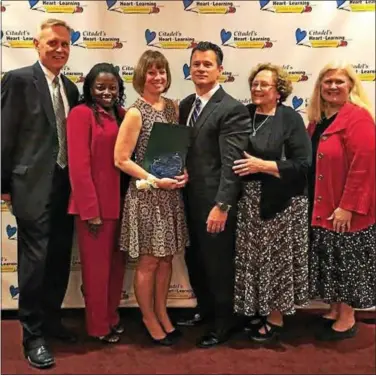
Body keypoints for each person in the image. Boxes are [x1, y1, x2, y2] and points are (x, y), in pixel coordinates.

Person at [1, 19, 79, 368]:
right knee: (35, 263)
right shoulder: (17, 80)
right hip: (30, 187)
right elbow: (4, 135)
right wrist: (3, 186)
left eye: (65, 44)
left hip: (66, 188)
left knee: (59, 258)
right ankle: (32, 335)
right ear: (37, 44)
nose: (60, 49)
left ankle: (51, 321)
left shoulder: (71, 89)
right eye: (53, 44)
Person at [177, 41, 251, 348]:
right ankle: (205, 309)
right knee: (196, 258)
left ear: (220, 70)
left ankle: (225, 322)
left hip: (215, 203)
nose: (201, 69)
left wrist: (222, 205)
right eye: (196, 64)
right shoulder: (184, 105)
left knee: (218, 262)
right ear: (189, 68)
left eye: (208, 64)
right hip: (187, 199)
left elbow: (232, 164)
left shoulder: (231, 108)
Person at [232, 63, 311, 343]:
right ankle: (258, 310)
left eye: (264, 84)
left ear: (278, 92)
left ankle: (275, 318)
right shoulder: (245, 114)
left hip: (282, 204)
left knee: (275, 262)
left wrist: (261, 165)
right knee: (254, 261)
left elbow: (303, 165)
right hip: (249, 203)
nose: (257, 88)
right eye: (255, 83)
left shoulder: (289, 119)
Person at [114, 50, 188, 346]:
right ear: (141, 76)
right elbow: (121, 159)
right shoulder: (135, 112)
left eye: (162, 72)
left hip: (171, 195)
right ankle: (148, 318)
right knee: (148, 262)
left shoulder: (173, 107)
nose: (158, 78)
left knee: (167, 258)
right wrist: (155, 180)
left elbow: (177, 149)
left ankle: (162, 312)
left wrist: (185, 173)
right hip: (146, 196)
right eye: (152, 72)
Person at [307, 61, 375, 341]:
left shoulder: (358, 118)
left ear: (351, 86)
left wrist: (348, 206)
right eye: (327, 82)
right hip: (322, 205)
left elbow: (365, 165)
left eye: (339, 82)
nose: (333, 87)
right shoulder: (317, 121)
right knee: (331, 258)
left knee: (346, 260)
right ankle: (335, 309)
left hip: (345, 209)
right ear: (319, 88)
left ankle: (347, 317)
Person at [66, 63, 126, 344]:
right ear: (89, 88)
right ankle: (98, 327)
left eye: (112, 87)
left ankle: (111, 317)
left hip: (123, 205)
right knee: (96, 272)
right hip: (96, 208)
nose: (106, 92)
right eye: (100, 86)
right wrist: (91, 212)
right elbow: (78, 167)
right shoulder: (81, 114)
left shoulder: (123, 114)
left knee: (115, 269)